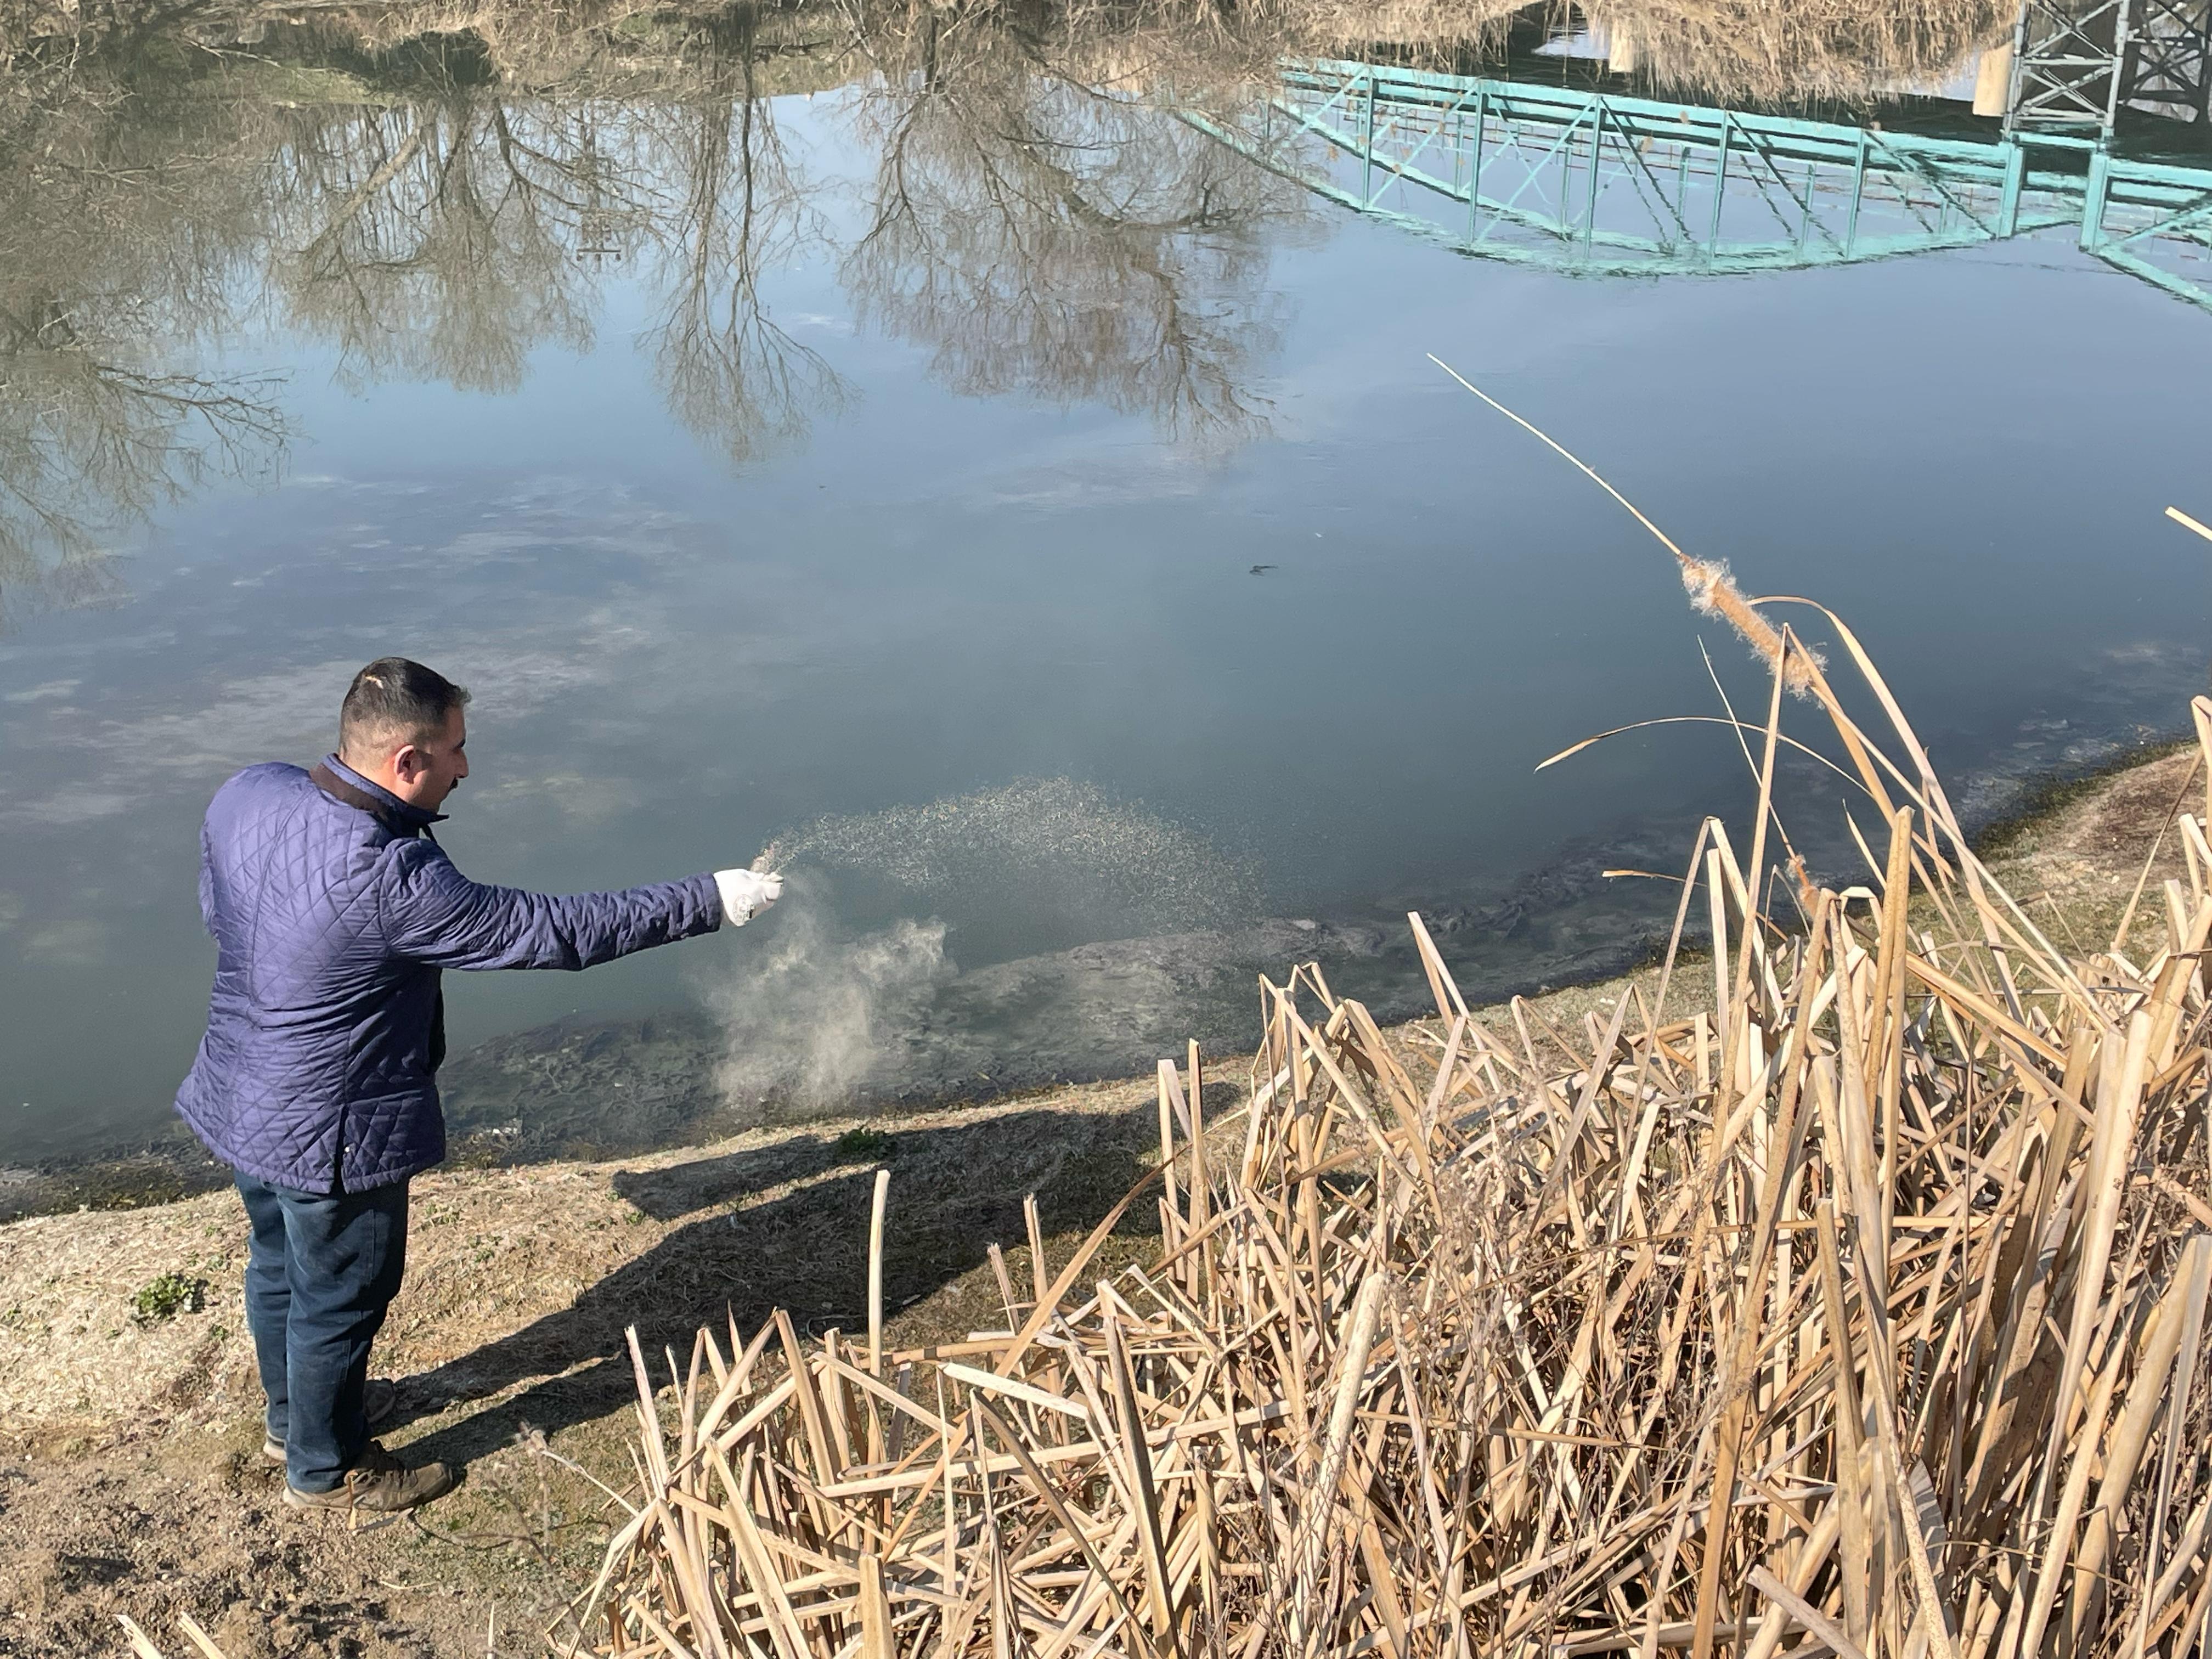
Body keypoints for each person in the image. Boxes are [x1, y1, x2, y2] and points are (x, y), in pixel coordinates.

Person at [173, 657, 781, 1521]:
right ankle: (327, 1467)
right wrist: (709, 899)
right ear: (408, 763)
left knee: (279, 1261)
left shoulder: (248, 792)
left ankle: (293, 1421)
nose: (468, 768)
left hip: (241, 1091)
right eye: (456, 750)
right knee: (342, 1295)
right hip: (333, 1130)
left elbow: (219, 911)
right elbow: (554, 931)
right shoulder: (392, 877)